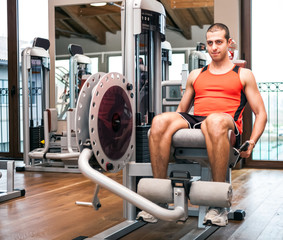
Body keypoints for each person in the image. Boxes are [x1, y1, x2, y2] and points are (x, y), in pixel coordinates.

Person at [143, 23, 267, 226]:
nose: (214, 47)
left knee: (215, 120)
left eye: (219, 42)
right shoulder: (196, 74)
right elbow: (181, 112)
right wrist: (167, 132)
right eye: (210, 43)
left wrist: (252, 142)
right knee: (159, 120)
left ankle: (216, 206)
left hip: (225, 122)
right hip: (198, 120)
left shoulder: (243, 74)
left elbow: (261, 113)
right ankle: (159, 199)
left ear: (229, 43)